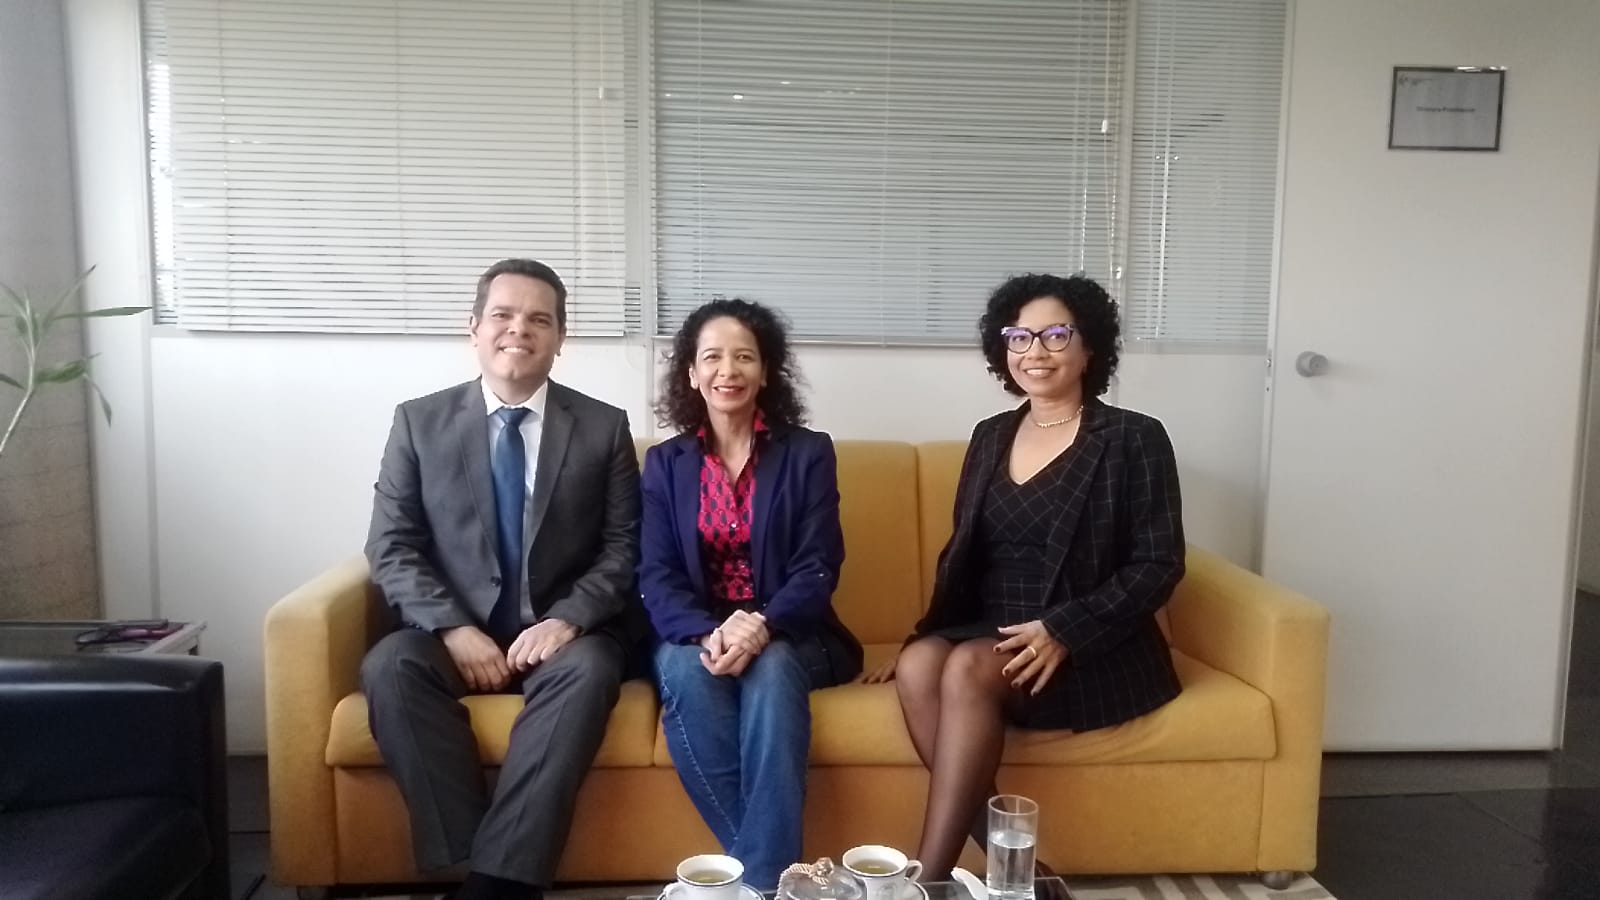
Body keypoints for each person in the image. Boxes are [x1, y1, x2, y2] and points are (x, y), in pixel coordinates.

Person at [866, 272, 1185, 881]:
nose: (1035, 351)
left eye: (1056, 335)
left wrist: (1065, 629)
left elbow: (1160, 564)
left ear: (1089, 347)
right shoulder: (990, 435)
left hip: (1091, 642)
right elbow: (966, 560)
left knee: (969, 667)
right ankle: (1023, 872)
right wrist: (922, 637)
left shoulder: (1133, 437)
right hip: (995, 626)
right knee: (921, 665)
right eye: (1019, 337)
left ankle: (927, 881)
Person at [361, 258, 643, 900]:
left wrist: (568, 619)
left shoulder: (603, 427)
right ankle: (474, 860)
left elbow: (624, 546)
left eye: (539, 320)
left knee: (591, 671)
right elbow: (391, 544)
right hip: (450, 633)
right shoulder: (419, 422)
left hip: (563, 638)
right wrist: (452, 628)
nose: (520, 329)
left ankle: (497, 886)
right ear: (474, 328)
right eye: (504, 315)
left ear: (560, 338)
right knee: (389, 666)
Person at [639, 298, 863, 889]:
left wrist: (761, 624)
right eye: (712, 357)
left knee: (773, 666)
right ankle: (780, 881)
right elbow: (656, 573)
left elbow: (819, 564)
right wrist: (707, 633)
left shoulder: (808, 453)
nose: (728, 370)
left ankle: (754, 883)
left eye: (744, 356)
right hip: (697, 633)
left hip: (792, 630)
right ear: (691, 373)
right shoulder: (664, 464)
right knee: (686, 673)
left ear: (766, 371)